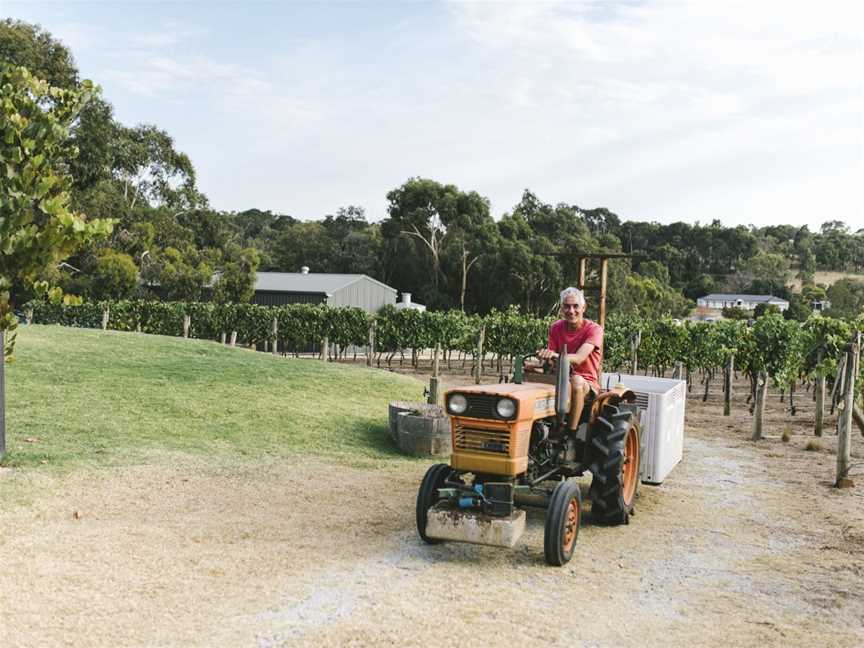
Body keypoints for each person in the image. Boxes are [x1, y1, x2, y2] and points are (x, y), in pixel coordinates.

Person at [538, 287, 603, 431]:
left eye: (575, 306)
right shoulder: (555, 328)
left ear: (584, 308)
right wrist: (546, 356)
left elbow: (580, 358)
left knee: (576, 380)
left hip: (586, 383)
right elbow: (551, 358)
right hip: (560, 379)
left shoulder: (594, 330)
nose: (571, 311)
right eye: (567, 306)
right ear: (562, 309)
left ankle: (570, 433)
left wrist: (556, 355)